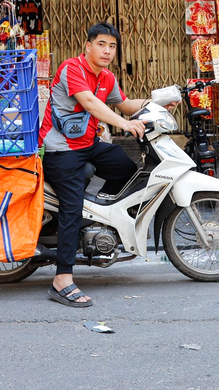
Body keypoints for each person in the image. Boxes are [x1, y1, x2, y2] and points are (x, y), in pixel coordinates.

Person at [41, 22, 167, 308]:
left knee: (127, 169)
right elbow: (89, 103)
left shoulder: (107, 77)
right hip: (61, 151)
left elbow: (125, 104)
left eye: (112, 46)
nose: (107, 50)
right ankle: (61, 279)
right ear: (88, 46)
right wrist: (124, 124)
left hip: (88, 146)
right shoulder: (71, 68)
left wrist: (157, 104)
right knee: (71, 209)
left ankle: (97, 218)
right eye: (101, 44)